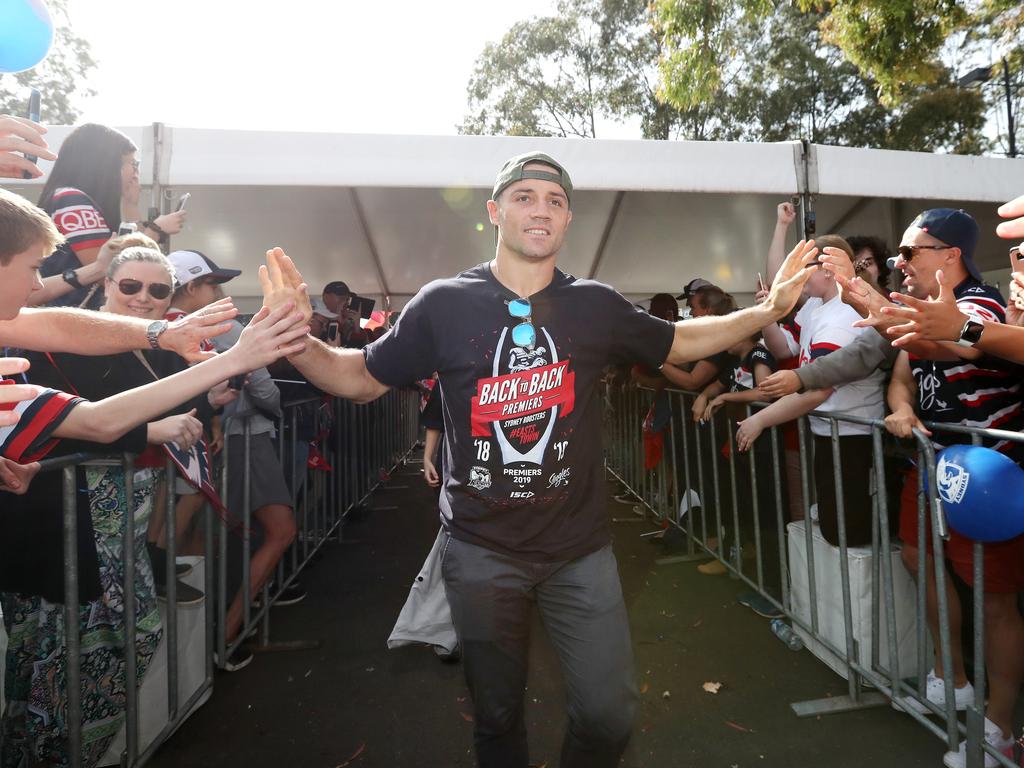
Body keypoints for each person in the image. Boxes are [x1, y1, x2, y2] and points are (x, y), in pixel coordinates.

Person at [258, 151, 818, 768]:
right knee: (496, 717)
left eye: (554, 201)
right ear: (495, 212)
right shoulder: (444, 303)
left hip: (579, 550)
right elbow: (361, 376)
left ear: (569, 219)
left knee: (609, 715)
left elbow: (679, 341)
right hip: (479, 550)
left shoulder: (594, 305)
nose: (540, 210)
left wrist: (768, 311)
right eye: (524, 196)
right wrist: (299, 341)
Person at [879, 209, 1024, 767]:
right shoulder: (922, 309)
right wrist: (899, 409)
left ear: (949, 255)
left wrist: (870, 303)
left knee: (996, 601)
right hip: (935, 461)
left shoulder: (981, 301)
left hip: (993, 473)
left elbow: (962, 344)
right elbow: (901, 374)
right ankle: (956, 678)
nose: (899, 263)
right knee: (918, 556)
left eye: (909, 252)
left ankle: (999, 727)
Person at [184, 254, 302, 671]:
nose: (219, 293)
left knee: (211, 540)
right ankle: (221, 635)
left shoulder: (174, 332)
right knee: (244, 535)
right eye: (210, 285)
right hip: (240, 441)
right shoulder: (226, 329)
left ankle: (214, 634)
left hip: (210, 444)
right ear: (188, 289)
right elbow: (268, 393)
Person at [736, 237, 886, 548]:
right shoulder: (818, 306)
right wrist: (767, 313)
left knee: (848, 531)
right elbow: (783, 347)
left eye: (807, 269)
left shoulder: (843, 318)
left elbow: (817, 390)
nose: (800, 277)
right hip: (827, 430)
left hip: (851, 434)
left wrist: (760, 420)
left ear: (830, 271)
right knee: (835, 526)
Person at [36, 123, 186, 307]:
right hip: (71, 317)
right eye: (133, 163)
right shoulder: (71, 199)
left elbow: (120, 250)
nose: (136, 172)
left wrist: (131, 204)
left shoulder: (74, 198)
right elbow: (112, 271)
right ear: (106, 164)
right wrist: (155, 230)